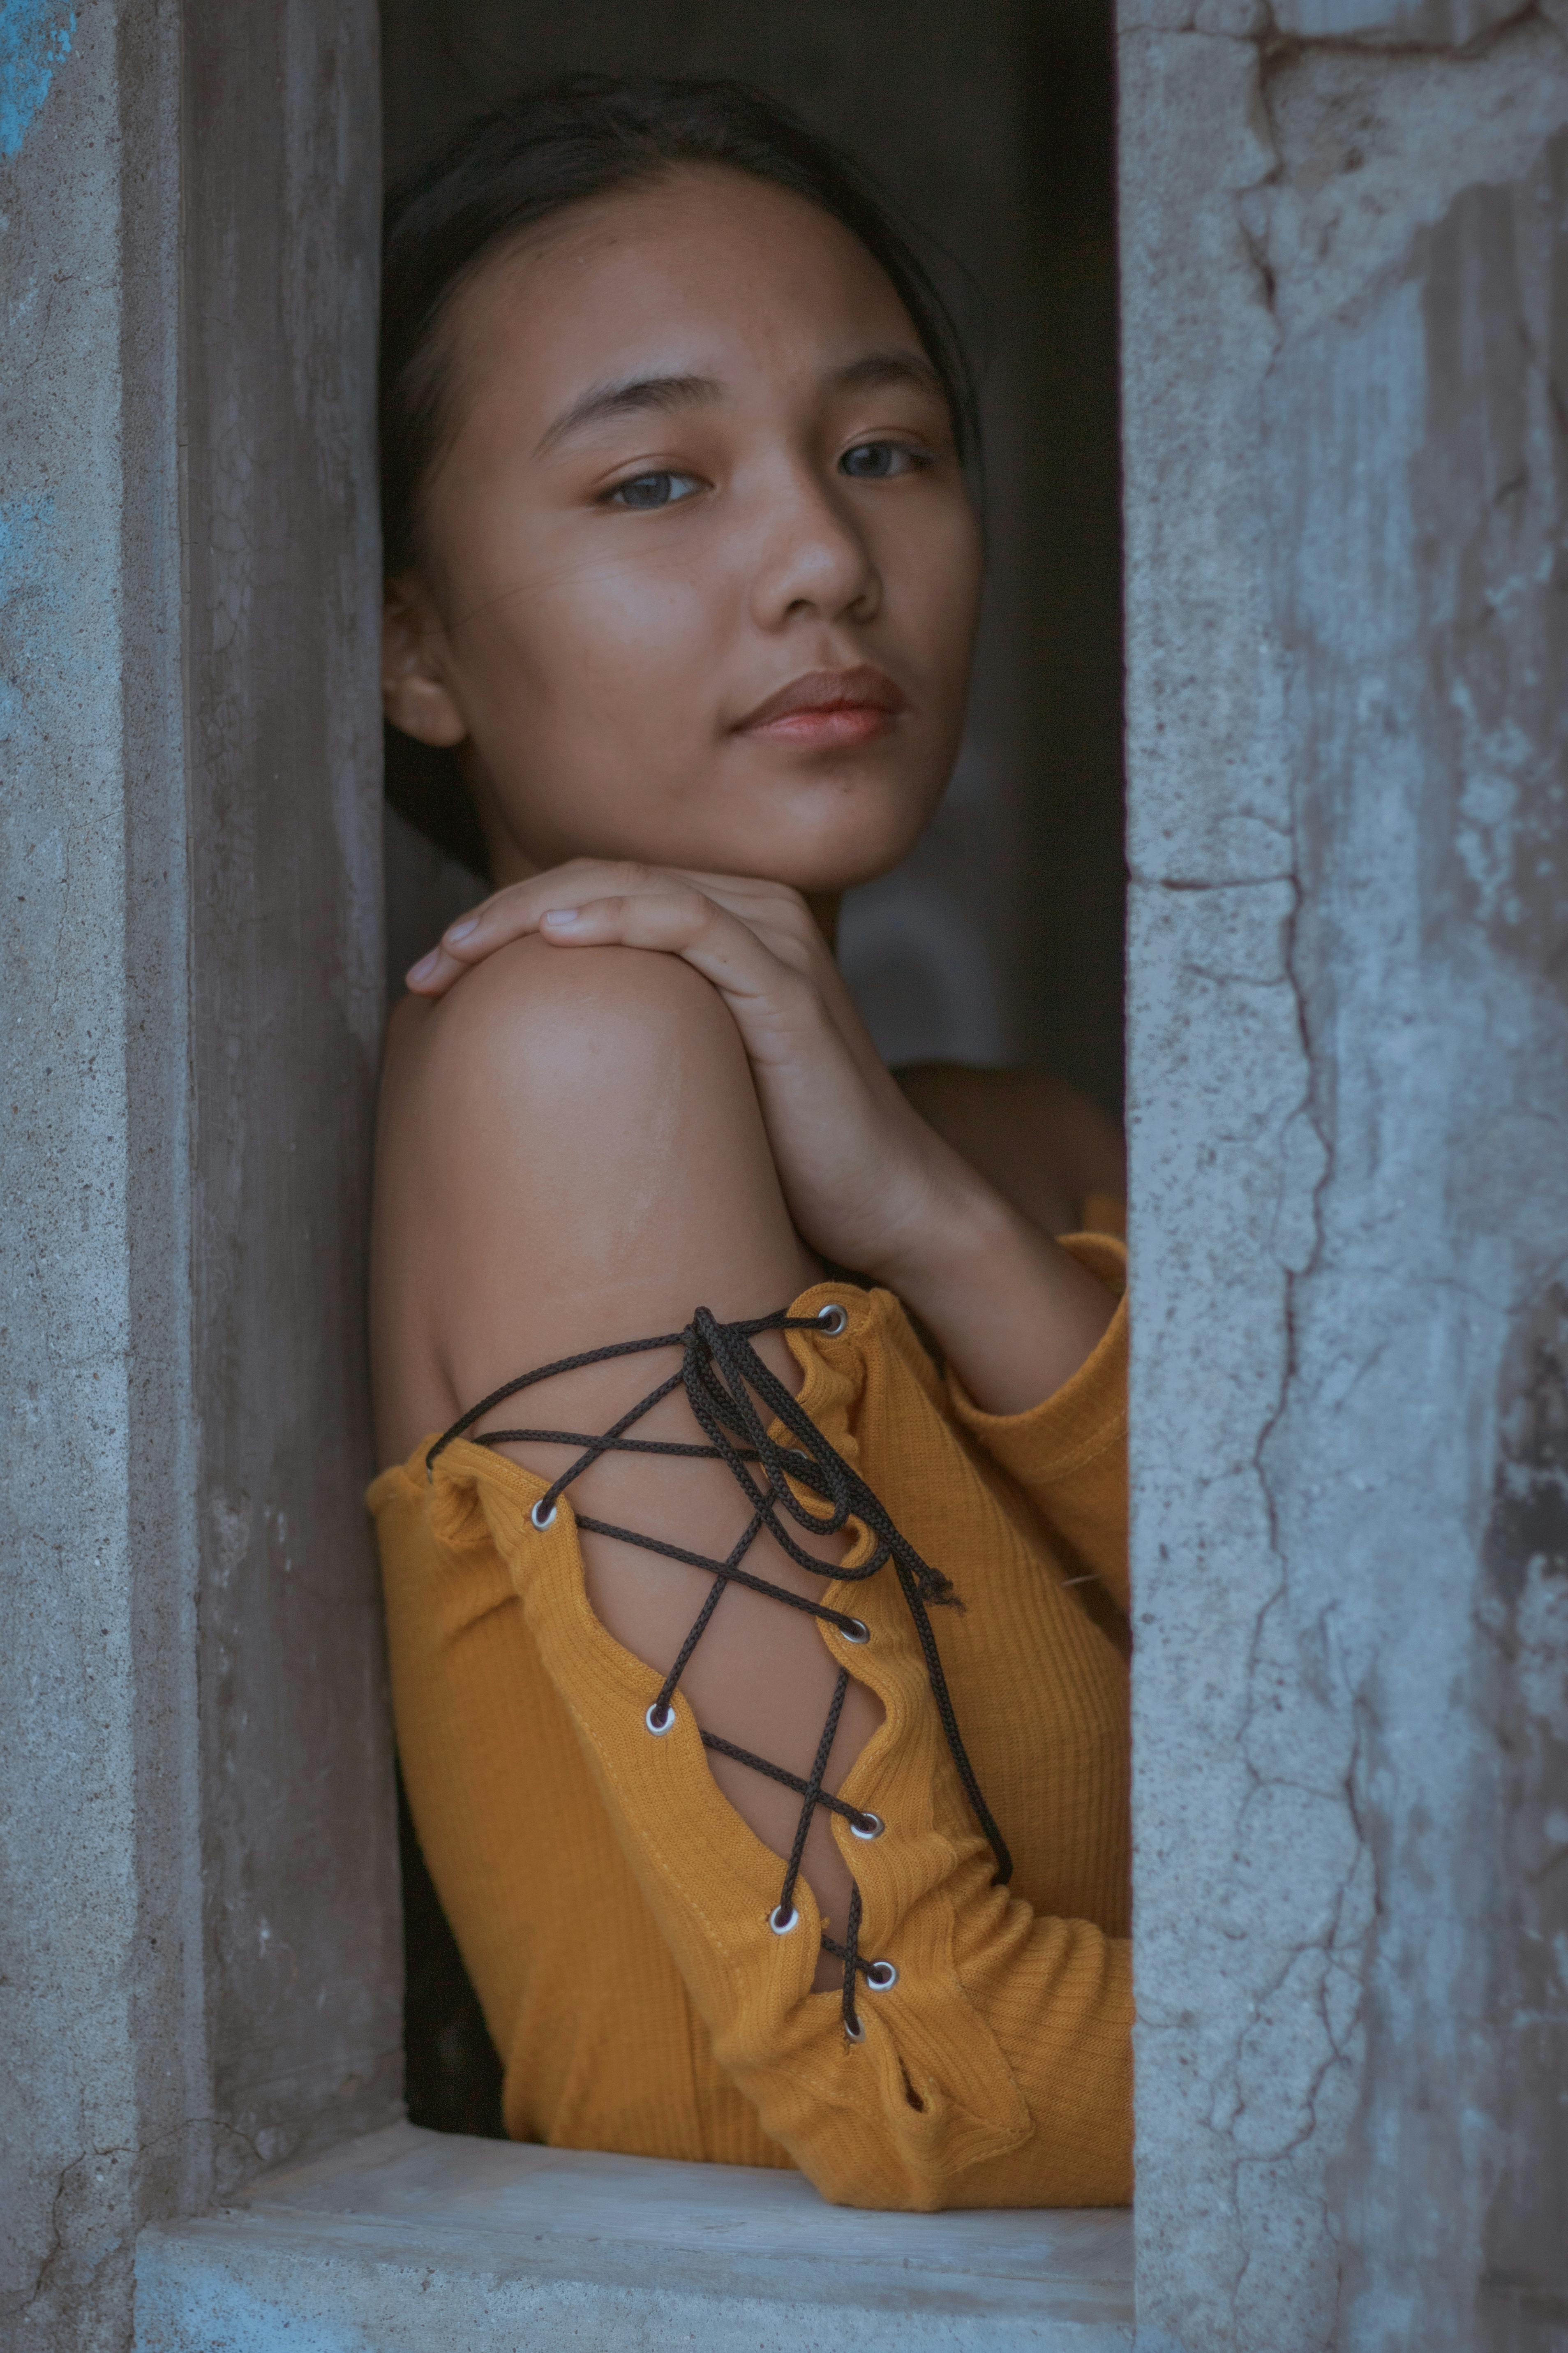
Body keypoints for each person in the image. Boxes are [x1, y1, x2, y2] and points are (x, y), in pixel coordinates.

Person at [369, 74, 1131, 2212]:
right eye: (652, 482)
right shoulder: (567, 1058)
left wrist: (939, 1222)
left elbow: (1429, 1737)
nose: (823, 560)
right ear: (411, 644)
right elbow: (914, 2059)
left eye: (884, 451)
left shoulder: (1019, 1153)